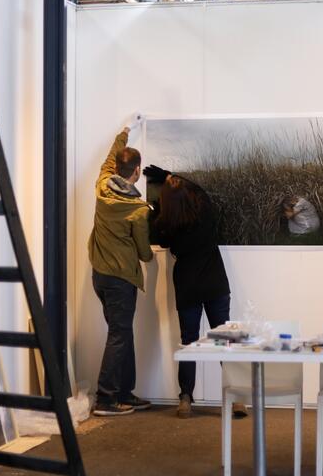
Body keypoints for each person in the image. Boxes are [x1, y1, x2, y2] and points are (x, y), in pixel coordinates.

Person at [143, 167, 241, 419]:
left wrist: (159, 207)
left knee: (188, 341)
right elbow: (199, 190)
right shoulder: (205, 212)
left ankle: (185, 398)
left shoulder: (168, 224)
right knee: (224, 340)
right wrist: (170, 175)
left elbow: (161, 239)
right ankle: (236, 399)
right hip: (214, 282)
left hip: (188, 285)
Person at [88, 114, 153, 417]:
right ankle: (106, 398)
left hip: (100, 275)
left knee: (122, 333)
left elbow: (109, 158)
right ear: (137, 171)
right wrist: (150, 255)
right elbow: (144, 252)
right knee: (119, 334)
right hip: (121, 280)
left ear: (116, 169)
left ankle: (125, 392)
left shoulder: (102, 186)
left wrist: (126, 131)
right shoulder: (137, 209)